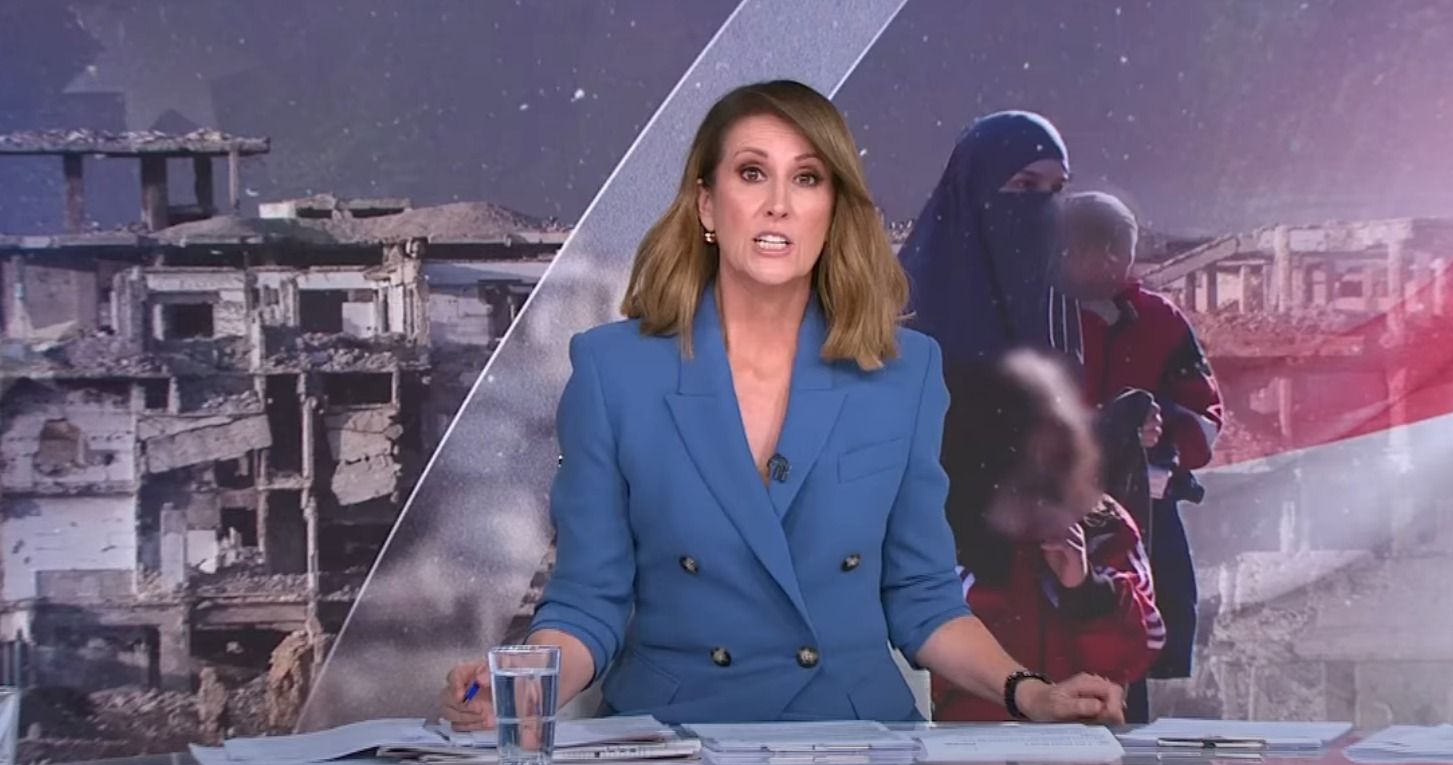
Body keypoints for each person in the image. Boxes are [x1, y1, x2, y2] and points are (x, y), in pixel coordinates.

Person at [440, 80, 1125, 730]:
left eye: (806, 178)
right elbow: (590, 601)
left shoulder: (905, 373)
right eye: (751, 173)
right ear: (707, 206)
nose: (778, 205)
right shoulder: (612, 371)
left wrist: (1030, 692)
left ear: (833, 210)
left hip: (855, 740)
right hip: (672, 742)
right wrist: (522, 687)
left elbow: (923, 599)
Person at [1061, 190, 1226, 719]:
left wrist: (1164, 424)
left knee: (1128, 654)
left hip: (1143, 523)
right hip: (1050, 519)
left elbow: (1206, 420)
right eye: (1096, 248)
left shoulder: (1162, 321)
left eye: (1121, 249)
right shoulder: (1030, 316)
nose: (1112, 261)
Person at [931, 351, 1164, 722]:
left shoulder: (1103, 524)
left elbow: (1144, 646)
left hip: (1082, 738)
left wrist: (1087, 590)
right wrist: (993, 561)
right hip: (972, 742)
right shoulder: (942, 528)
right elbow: (930, 650)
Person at [900, 110, 1078, 365]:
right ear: (977, 187)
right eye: (1026, 185)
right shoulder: (905, 306)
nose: (1046, 203)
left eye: (1057, 188)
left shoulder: (1059, 298)